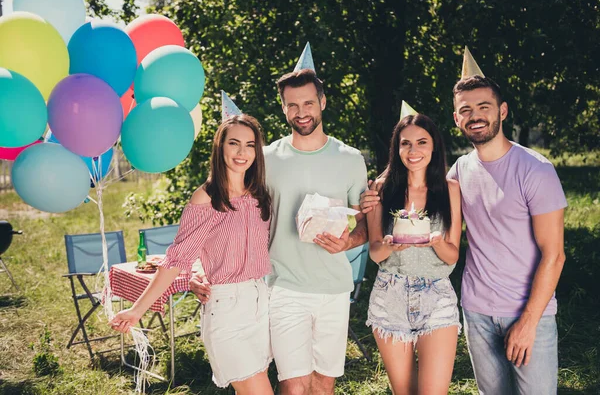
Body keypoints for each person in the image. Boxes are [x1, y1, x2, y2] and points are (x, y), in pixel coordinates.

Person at [361, 49, 567, 394]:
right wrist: (374, 201)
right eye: (466, 110)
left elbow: (555, 255)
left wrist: (529, 321)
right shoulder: (458, 174)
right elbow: (413, 188)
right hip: (476, 310)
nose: (475, 116)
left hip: (529, 312)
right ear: (456, 119)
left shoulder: (536, 170)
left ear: (501, 111)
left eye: (484, 107)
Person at [192, 68, 369, 395]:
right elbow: (225, 214)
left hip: (334, 288)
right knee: (293, 385)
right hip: (283, 287)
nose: (301, 112)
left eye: (308, 103)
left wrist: (349, 240)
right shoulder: (265, 158)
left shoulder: (351, 159)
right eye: (292, 105)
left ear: (323, 102)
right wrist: (197, 268)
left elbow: (363, 224)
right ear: (283, 108)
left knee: (323, 385)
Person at [110, 114, 274, 395]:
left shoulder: (259, 195)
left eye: (249, 145)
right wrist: (137, 310)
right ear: (220, 146)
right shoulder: (207, 198)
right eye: (234, 143)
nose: (242, 152)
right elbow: (176, 261)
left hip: (261, 303)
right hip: (227, 308)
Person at [366, 112, 462, 394]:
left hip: (437, 296)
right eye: (405, 143)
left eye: (421, 142)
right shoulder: (381, 189)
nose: (413, 151)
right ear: (396, 149)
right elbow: (375, 252)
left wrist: (436, 241)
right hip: (390, 295)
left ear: (434, 146)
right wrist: (388, 244)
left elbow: (452, 255)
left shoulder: (450, 189)